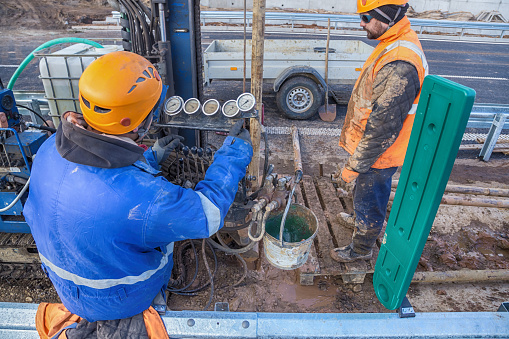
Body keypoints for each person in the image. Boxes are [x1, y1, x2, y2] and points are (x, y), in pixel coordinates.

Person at [24, 51, 253, 337]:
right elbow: (209, 214)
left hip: (66, 285)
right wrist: (234, 154)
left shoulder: (48, 150)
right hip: (122, 297)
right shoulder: (147, 200)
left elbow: (100, 177)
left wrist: (151, 159)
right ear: (140, 123)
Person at [330, 0, 428, 263]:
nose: (361, 23)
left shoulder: (400, 62)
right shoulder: (391, 42)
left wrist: (353, 167)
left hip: (382, 152)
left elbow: (381, 130)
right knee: (365, 192)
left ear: (388, 16)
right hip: (374, 148)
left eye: (367, 17)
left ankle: (361, 248)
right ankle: (359, 221)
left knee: (370, 197)